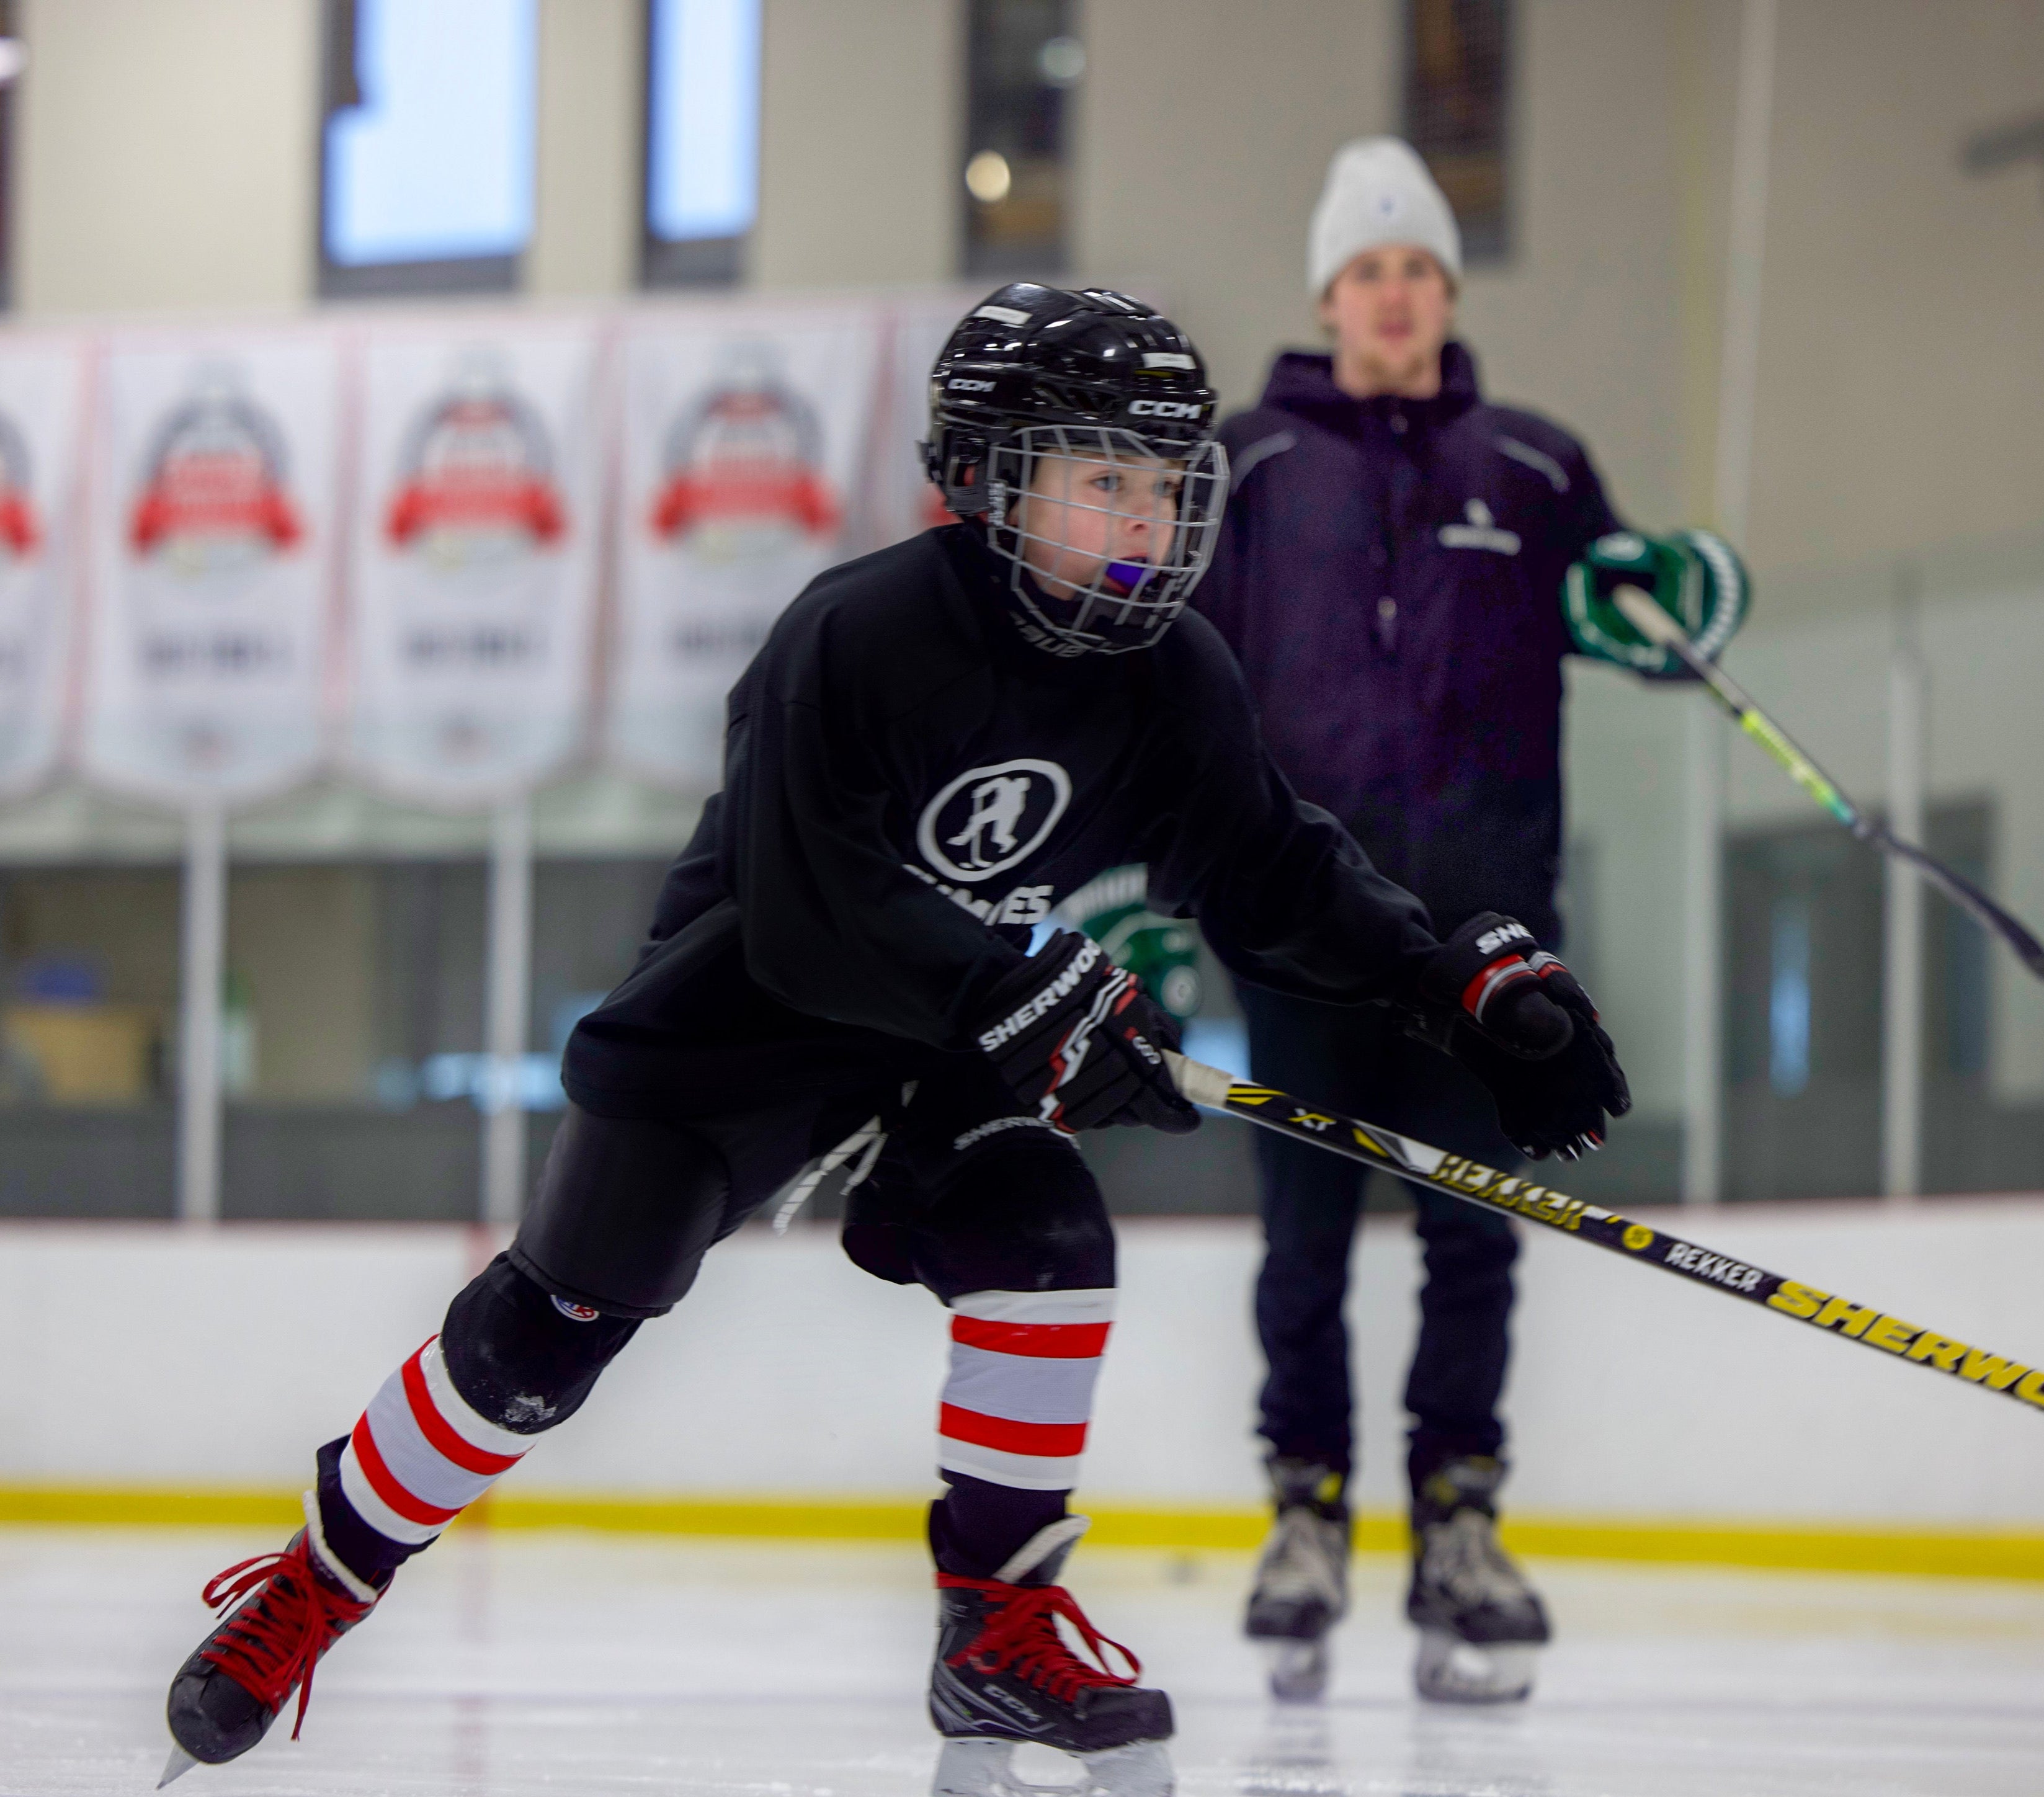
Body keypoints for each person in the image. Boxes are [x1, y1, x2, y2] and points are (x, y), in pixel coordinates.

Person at [155, 284, 1631, 1795]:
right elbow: (808, 914)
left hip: (942, 1046)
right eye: (1098, 479)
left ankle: (994, 1626)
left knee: (1051, 1245)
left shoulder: (1172, 678)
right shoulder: (854, 634)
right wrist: (1032, 994)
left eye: (1160, 483)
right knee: (550, 1335)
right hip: (741, 1029)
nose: (1139, 521)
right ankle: (324, 1574)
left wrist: (1456, 983)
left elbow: (1275, 874)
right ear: (988, 479)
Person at [1192, 138, 1747, 1705]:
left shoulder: (1538, 463)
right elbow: (1188, 698)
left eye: (1419, 268)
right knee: (1302, 1246)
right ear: (1327, 292)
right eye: (1368, 269)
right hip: (1301, 929)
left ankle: (1456, 1531)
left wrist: (1659, 603)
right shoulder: (1246, 465)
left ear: (1446, 290)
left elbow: (1617, 608)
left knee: (1470, 1242)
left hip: (1488, 945)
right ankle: (1302, 1517)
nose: (1394, 294)